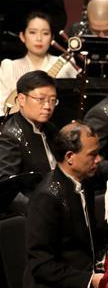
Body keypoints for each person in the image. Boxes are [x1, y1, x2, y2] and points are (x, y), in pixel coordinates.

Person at [22, 122, 108, 288]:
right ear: (70, 157)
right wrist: (90, 280)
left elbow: (83, 240)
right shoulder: (46, 198)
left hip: (76, 281)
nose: (98, 159)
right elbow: (41, 265)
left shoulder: (84, 184)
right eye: (92, 154)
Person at [0, 71, 59, 209]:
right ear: (21, 99)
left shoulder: (50, 128)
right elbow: (6, 188)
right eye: (41, 99)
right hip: (34, 209)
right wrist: (36, 211)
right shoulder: (9, 135)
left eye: (52, 100)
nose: (48, 106)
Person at [0, 11, 76, 107]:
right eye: (33, 32)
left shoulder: (65, 65)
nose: (39, 38)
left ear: (52, 38)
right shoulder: (9, 67)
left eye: (45, 33)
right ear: (22, 36)